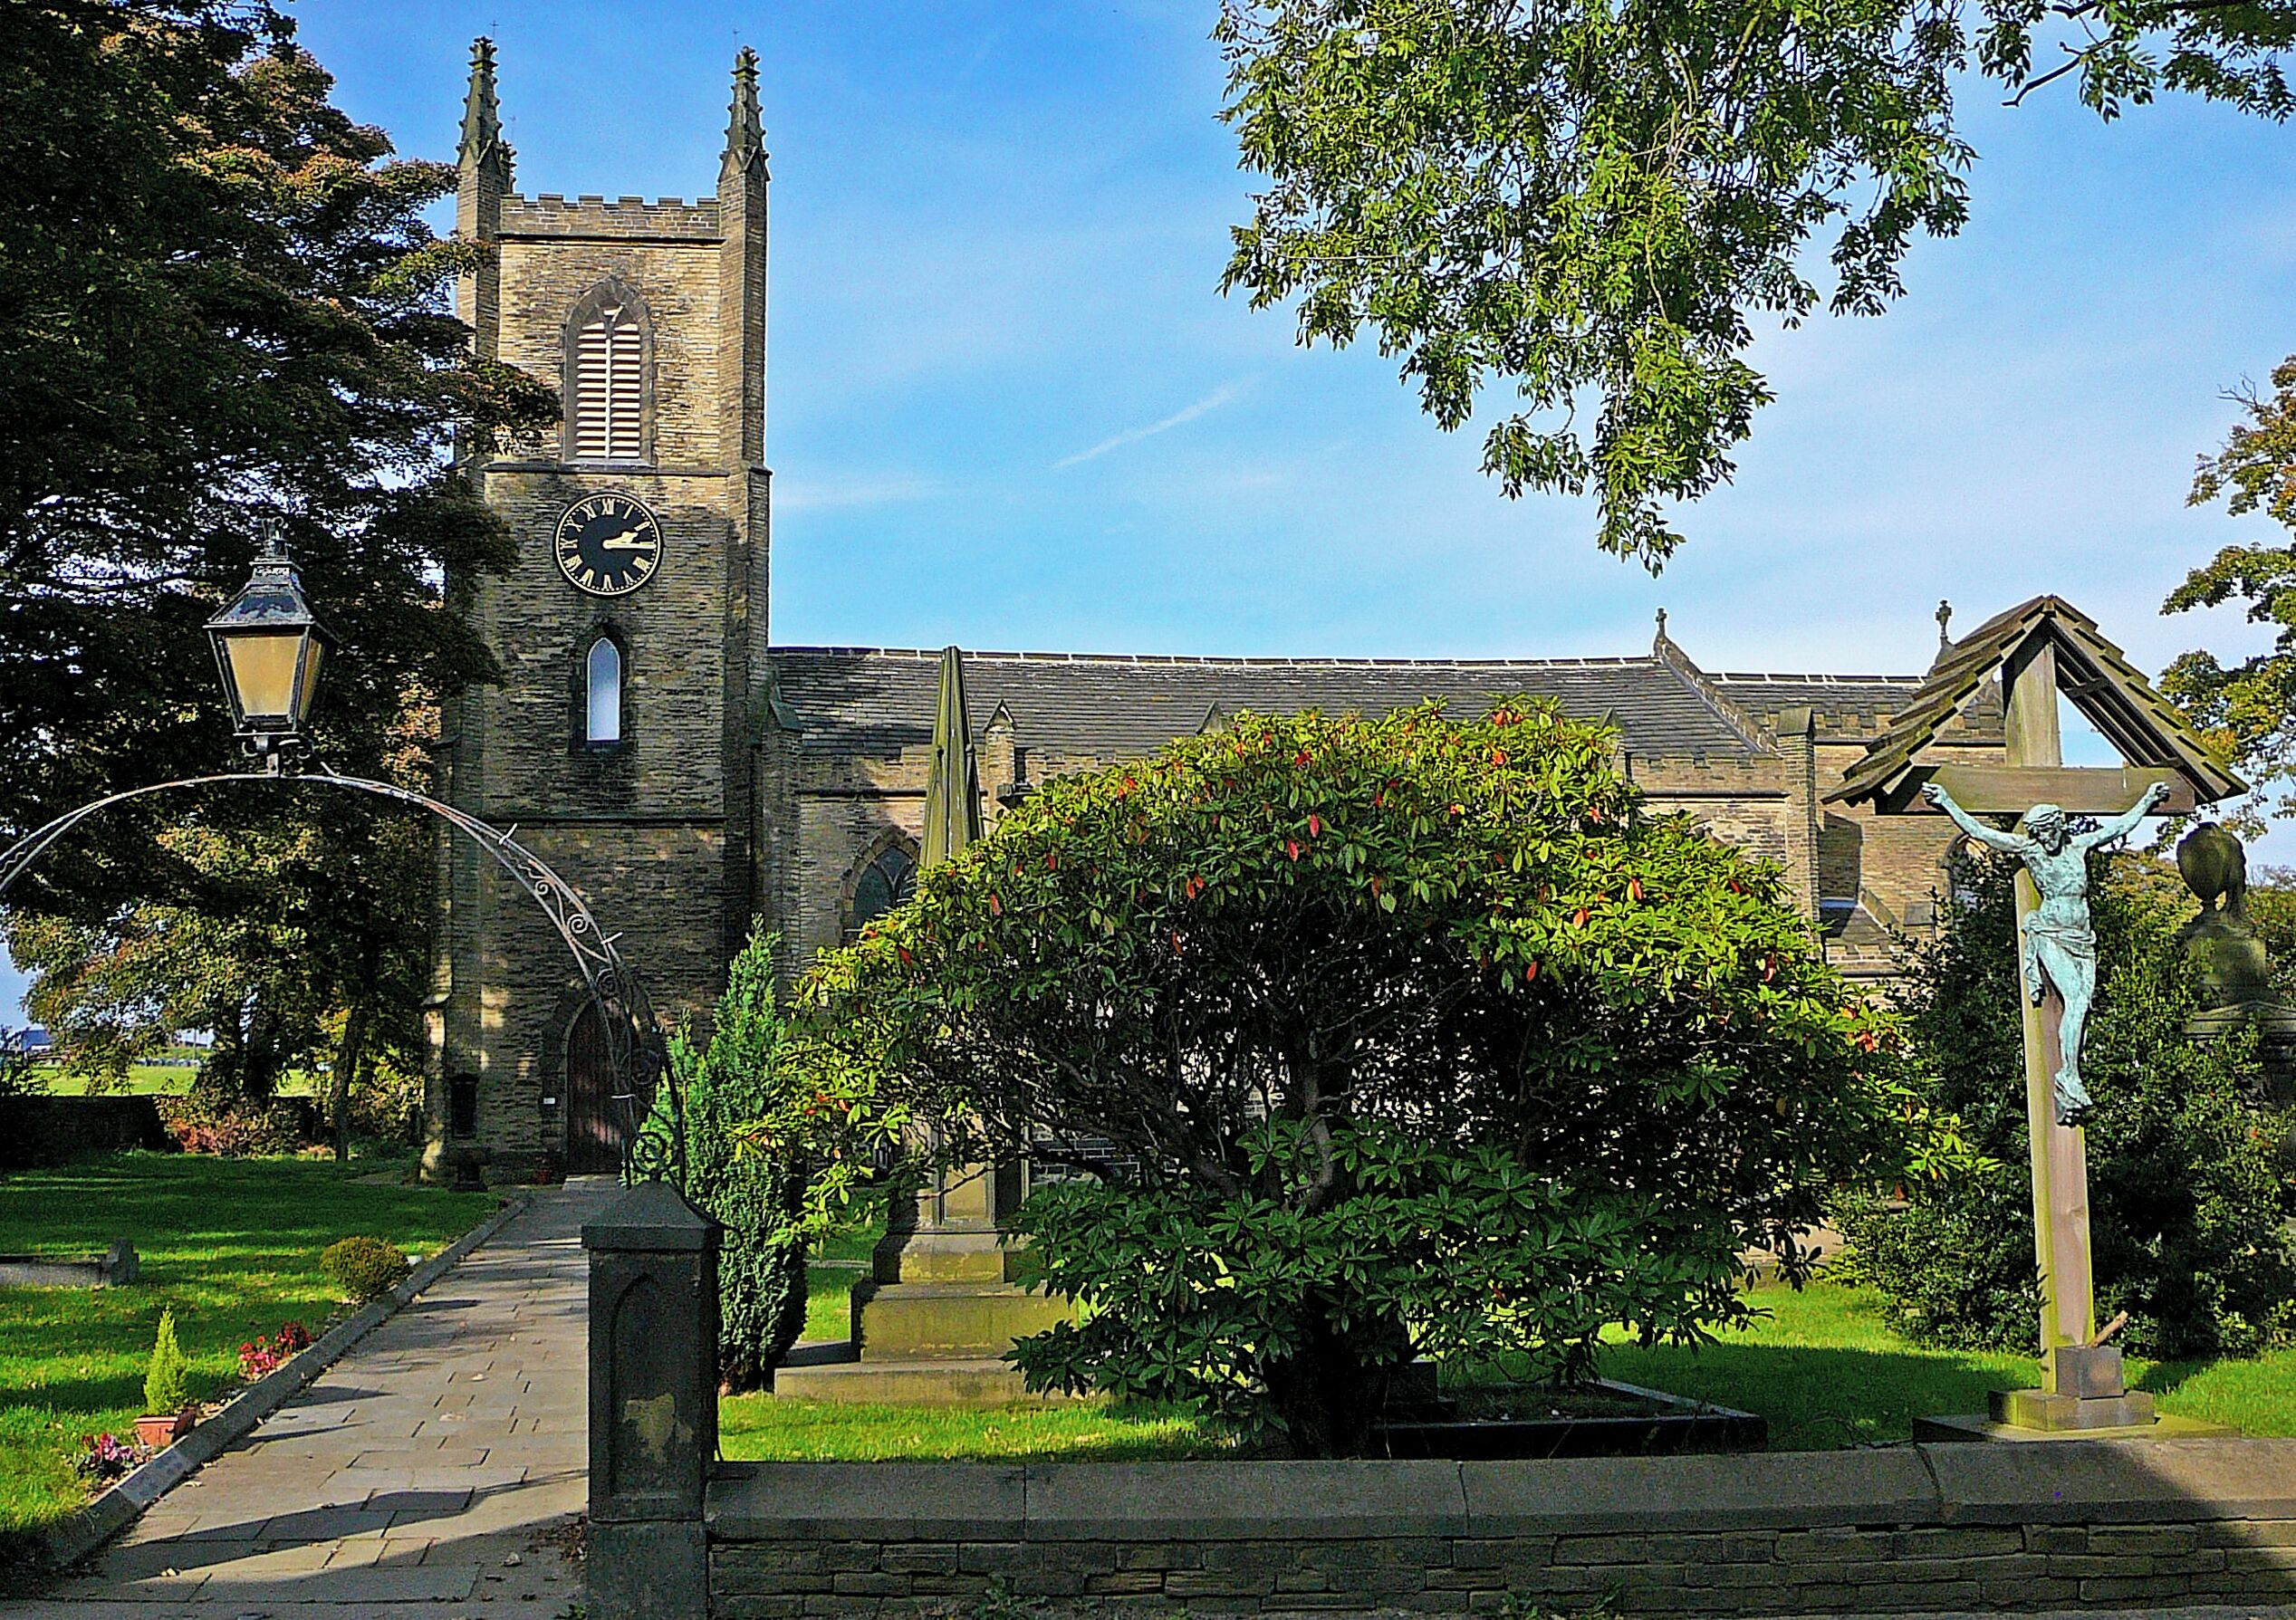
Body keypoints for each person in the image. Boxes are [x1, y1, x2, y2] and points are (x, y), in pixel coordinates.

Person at [1920, 778, 2172, 1120]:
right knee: (2078, 1001)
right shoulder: (2030, 851)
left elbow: (2118, 827)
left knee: (2083, 1010)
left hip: (2083, 937)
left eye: (2051, 830)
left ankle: (2072, 1071)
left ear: (2059, 826)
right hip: (2051, 932)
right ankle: (2069, 1076)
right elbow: (1983, 833)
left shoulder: (2078, 846)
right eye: (2041, 832)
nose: (2047, 838)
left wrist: (2146, 800)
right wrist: (1948, 801)